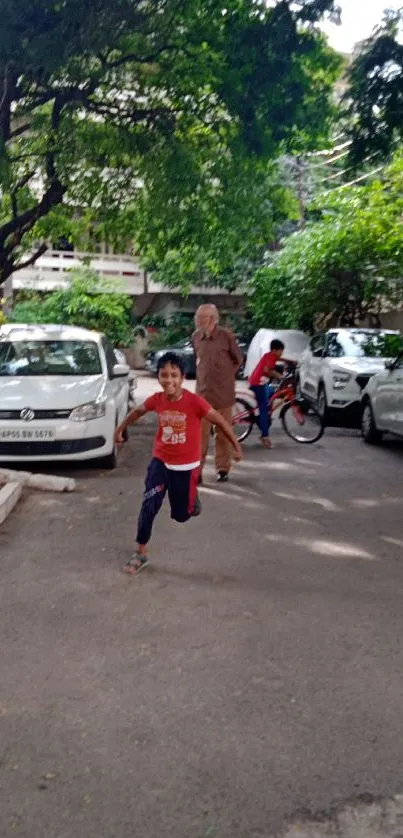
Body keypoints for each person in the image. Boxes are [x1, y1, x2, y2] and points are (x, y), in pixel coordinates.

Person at [114, 352, 242, 575]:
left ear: (182, 377)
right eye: (164, 375)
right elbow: (137, 412)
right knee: (149, 504)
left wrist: (236, 447)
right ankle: (141, 552)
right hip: (160, 463)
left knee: (181, 515)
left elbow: (220, 421)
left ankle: (192, 500)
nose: (169, 380)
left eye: (174, 375)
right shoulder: (158, 399)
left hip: (186, 467)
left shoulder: (195, 402)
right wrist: (119, 429)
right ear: (159, 377)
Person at [193, 304, 243, 483]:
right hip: (203, 394)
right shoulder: (196, 337)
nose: (196, 321)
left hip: (223, 394)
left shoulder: (226, 336)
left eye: (200, 318)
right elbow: (197, 359)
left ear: (212, 319)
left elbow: (238, 359)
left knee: (223, 432)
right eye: (197, 317)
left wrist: (226, 376)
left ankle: (222, 469)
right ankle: (196, 471)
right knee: (199, 434)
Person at [248, 339, 288, 449]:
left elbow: (280, 358)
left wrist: (291, 361)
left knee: (272, 394)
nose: (282, 353)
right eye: (281, 351)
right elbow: (267, 369)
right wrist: (279, 376)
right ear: (275, 350)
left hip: (262, 383)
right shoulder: (271, 357)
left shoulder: (271, 355)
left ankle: (265, 420)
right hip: (258, 384)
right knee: (264, 409)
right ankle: (264, 436)